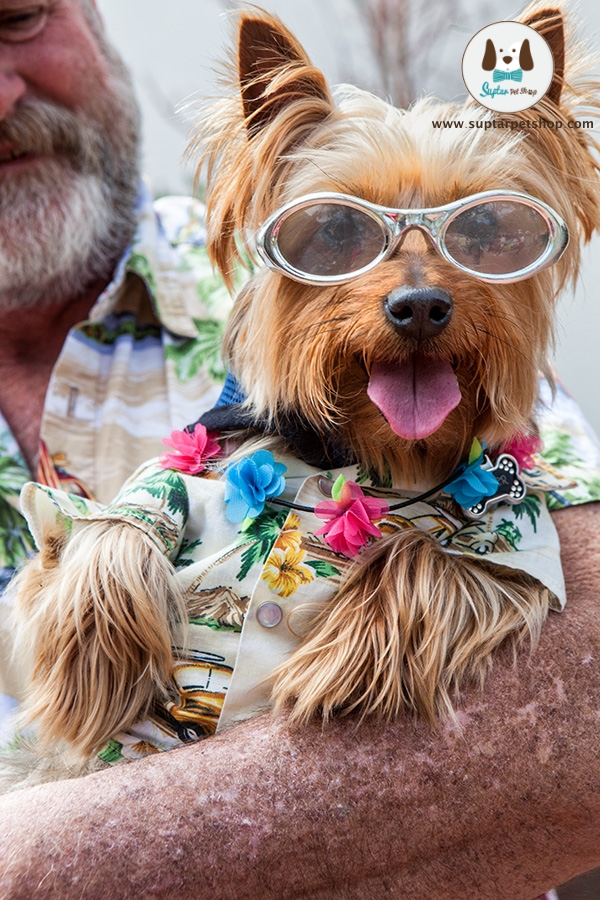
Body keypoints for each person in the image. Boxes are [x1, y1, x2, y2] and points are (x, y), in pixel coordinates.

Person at [0, 2, 599, 898]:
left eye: (17, 18)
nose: (418, 292)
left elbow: (577, 630)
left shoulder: (504, 445)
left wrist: (66, 859)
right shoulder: (205, 456)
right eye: (340, 236)